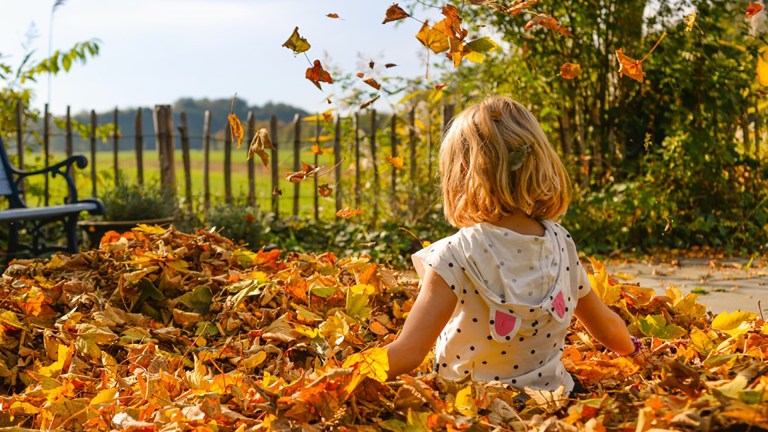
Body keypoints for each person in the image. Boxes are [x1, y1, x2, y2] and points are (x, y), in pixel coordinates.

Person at [385, 95, 640, 393]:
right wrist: (634, 351)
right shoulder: (560, 241)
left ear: (461, 175)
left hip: (472, 406)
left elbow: (408, 352)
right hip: (554, 398)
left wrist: (341, 375)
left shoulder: (454, 254)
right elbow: (607, 328)